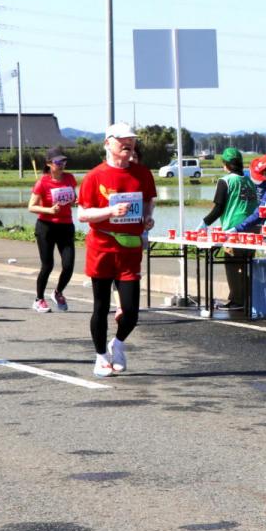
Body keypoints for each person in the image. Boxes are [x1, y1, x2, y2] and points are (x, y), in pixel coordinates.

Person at [78, 124, 156, 378]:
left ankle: (118, 344)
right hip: (101, 246)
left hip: (130, 248)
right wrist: (110, 212)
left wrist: (147, 219)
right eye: (122, 140)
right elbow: (83, 214)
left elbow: (148, 203)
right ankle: (101, 356)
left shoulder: (142, 173)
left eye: (131, 141)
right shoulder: (95, 176)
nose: (128, 144)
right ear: (108, 143)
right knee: (101, 307)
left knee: (131, 311)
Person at [203, 147, 258, 312]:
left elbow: (218, 208)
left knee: (232, 264)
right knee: (246, 264)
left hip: (234, 230)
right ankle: (246, 299)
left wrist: (205, 223)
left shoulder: (225, 181)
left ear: (225, 164)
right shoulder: (249, 181)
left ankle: (236, 301)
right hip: (253, 229)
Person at [27, 146, 77, 313]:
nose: (61, 164)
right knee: (47, 265)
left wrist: (73, 201)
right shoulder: (42, 182)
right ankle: (39, 299)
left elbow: (72, 198)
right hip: (46, 227)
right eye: (58, 162)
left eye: (64, 161)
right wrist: (49, 210)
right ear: (49, 164)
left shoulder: (70, 178)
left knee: (69, 265)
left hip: (66, 226)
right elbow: (31, 206)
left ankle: (58, 292)